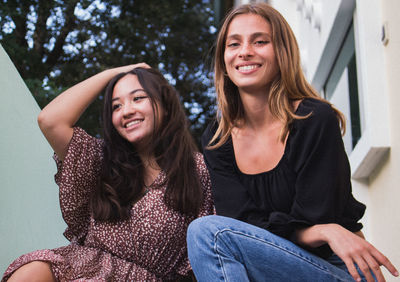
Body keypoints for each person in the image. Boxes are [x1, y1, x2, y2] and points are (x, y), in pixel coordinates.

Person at [186, 3, 398, 282]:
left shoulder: (313, 119)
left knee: (208, 232)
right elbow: (242, 222)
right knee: (210, 233)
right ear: (224, 59)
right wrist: (323, 230)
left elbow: (314, 214)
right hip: (267, 269)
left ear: (281, 52)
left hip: (336, 268)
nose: (245, 51)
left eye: (260, 41)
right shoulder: (218, 140)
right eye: (233, 44)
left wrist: (324, 229)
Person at [2, 64, 214, 281]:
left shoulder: (196, 170)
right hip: (88, 269)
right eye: (116, 106)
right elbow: (50, 121)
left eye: (138, 98)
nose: (127, 111)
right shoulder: (100, 159)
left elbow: (210, 251)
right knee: (33, 269)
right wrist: (114, 73)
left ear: (165, 105)